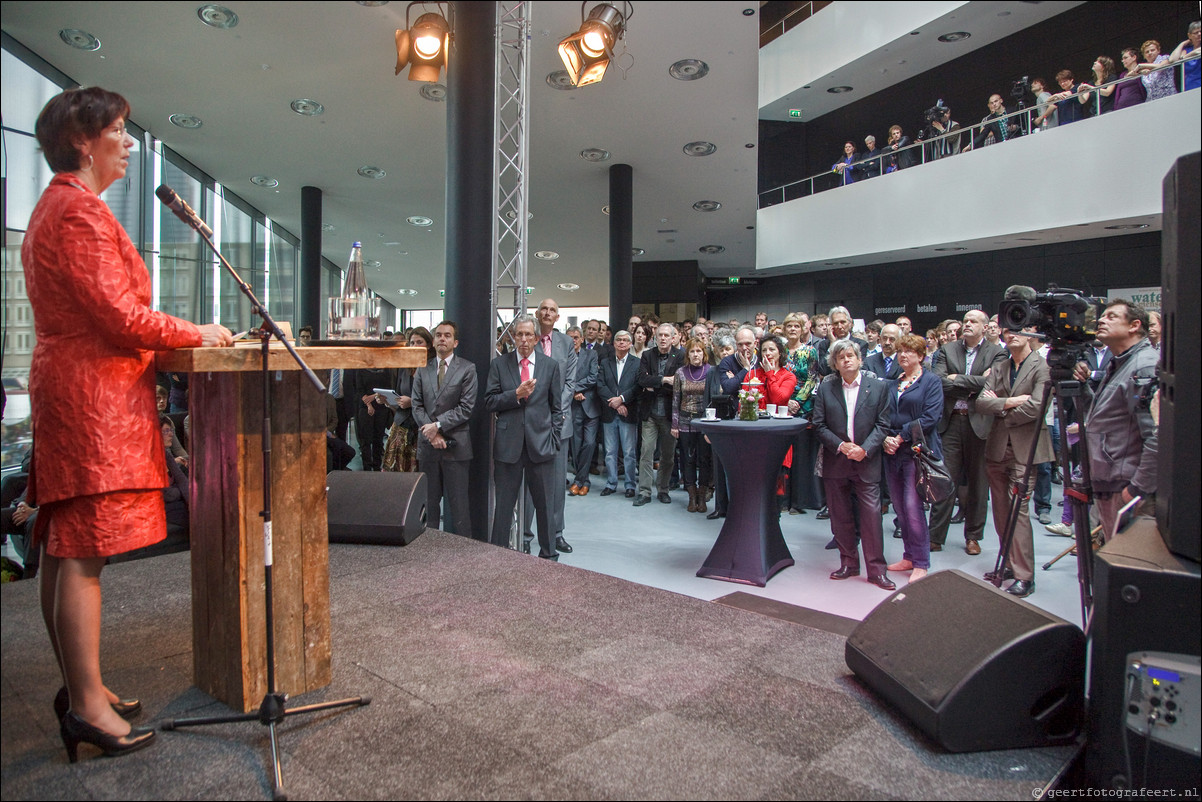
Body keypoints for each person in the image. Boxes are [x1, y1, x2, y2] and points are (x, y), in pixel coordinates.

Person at [22, 87, 233, 761]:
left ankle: (81, 686)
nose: (130, 142)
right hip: (91, 398)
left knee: (65, 543)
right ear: (85, 142)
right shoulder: (78, 212)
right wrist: (196, 330)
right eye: (119, 130)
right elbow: (120, 317)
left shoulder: (60, 206)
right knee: (82, 550)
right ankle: (85, 705)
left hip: (75, 386)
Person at [977, 328, 1053, 598]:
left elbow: (1037, 406)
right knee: (999, 510)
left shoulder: (1042, 367)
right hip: (997, 449)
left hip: (1026, 450)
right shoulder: (1000, 366)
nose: (1011, 335)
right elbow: (980, 403)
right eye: (1007, 331)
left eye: (1018, 331)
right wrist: (1009, 401)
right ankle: (1008, 564)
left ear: (1033, 334)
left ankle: (1025, 576)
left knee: (1018, 510)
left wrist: (1002, 410)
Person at [812, 341, 895, 591]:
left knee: (871, 518)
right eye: (841, 357)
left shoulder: (879, 388)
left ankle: (877, 571)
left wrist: (864, 449)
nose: (846, 360)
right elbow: (818, 425)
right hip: (836, 461)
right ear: (835, 364)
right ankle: (849, 563)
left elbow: (883, 425)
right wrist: (841, 446)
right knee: (840, 518)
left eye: (851, 356)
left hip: (866, 462)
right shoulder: (826, 389)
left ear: (860, 360)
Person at [1074, 300, 1158, 542]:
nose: (1101, 320)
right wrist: (1081, 388)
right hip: (1111, 480)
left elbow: (1157, 435)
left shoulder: (1145, 365)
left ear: (1134, 325)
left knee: (1129, 568)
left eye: (1111, 316)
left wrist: (1136, 489)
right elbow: (1104, 415)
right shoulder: (1121, 361)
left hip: (1125, 486)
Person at [485, 316, 564, 559]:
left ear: (537, 338)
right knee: (504, 507)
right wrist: (515, 394)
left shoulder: (550, 366)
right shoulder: (500, 364)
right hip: (508, 448)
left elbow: (557, 409)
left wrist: (554, 439)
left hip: (541, 446)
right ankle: (498, 555)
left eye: (528, 335)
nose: (523, 339)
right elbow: (489, 401)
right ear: (513, 337)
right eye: (519, 334)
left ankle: (549, 555)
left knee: (544, 506)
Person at [930, 310, 1006, 555]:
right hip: (951, 423)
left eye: (973, 321)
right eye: (965, 321)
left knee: (978, 484)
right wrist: (974, 381)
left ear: (985, 327)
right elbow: (940, 382)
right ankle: (934, 537)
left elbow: (992, 384)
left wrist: (958, 379)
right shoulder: (947, 350)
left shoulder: (998, 352)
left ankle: (973, 536)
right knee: (944, 480)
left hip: (981, 423)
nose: (967, 324)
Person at [881, 334, 944, 583]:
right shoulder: (892, 383)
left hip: (916, 452)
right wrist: (886, 437)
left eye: (909, 351)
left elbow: (931, 417)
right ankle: (908, 555)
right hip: (892, 451)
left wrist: (900, 437)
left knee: (912, 506)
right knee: (899, 506)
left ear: (921, 356)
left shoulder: (931, 382)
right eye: (900, 351)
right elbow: (883, 415)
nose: (903, 355)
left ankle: (921, 561)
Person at [410, 320, 476, 537]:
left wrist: (437, 426)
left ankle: (463, 554)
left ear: (455, 342)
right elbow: (416, 405)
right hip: (428, 447)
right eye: (438, 335)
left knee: (459, 507)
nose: (442, 339)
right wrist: (432, 434)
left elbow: (466, 408)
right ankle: (430, 552)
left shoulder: (467, 368)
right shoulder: (422, 369)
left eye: (447, 335)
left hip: (456, 447)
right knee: (429, 504)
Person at [635, 323, 684, 506]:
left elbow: (678, 383)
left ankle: (663, 489)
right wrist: (663, 380)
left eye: (666, 335)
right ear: (655, 337)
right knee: (646, 453)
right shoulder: (648, 355)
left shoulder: (680, 356)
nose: (663, 338)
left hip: (670, 414)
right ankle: (645, 492)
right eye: (660, 335)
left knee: (668, 455)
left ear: (673, 338)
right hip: (650, 413)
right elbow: (641, 379)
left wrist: (653, 384)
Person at [671, 338, 722, 513]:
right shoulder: (680, 373)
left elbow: (715, 398)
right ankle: (692, 496)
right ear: (688, 354)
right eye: (692, 351)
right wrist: (675, 424)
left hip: (705, 422)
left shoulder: (711, 371)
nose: (695, 354)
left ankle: (703, 495)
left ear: (704, 353)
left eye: (699, 351)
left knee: (705, 460)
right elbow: (676, 399)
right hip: (685, 421)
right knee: (688, 459)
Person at [783, 313, 822, 514]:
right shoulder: (779, 351)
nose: (792, 329)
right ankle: (782, 500)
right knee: (782, 455)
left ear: (802, 329)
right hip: (781, 403)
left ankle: (798, 502)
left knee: (799, 456)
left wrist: (797, 401)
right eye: (789, 326)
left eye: (796, 326)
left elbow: (812, 378)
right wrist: (784, 400)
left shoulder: (809, 351)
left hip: (803, 408)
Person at [598, 330, 641, 498]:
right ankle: (611, 483)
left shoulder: (637, 363)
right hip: (610, 412)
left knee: (629, 452)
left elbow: (638, 386)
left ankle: (630, 485)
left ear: (630, 344)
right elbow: (600, 385)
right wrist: (615, 403)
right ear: (614, 343)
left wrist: (622, 399)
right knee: (609, 451)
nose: (622, 342)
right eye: (619, 340)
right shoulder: (605, 361)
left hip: (628, 413)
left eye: (625, 340)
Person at [566, 325, 600, 496]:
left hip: (590, 406)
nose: (573, 340)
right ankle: (583, 481)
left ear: (581, 339)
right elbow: (560, 379)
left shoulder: (591, 354)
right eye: (570, 337)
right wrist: (573, 393)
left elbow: (594, 377)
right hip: (573, 407)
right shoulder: (563, 358)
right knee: (576, 446)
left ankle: (579, 480)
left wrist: (576, 389)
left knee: (589, 444)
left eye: (576, 337)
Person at [1170, 21, 1201, 92]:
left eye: (1200, 31)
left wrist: (1185, 57)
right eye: (1196, 33)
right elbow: (1172, 60)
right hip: (1190, 86)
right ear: (1189, 35)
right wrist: (1182, 43)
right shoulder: (1186, 50)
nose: (1199, 34)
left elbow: (1198, 51)